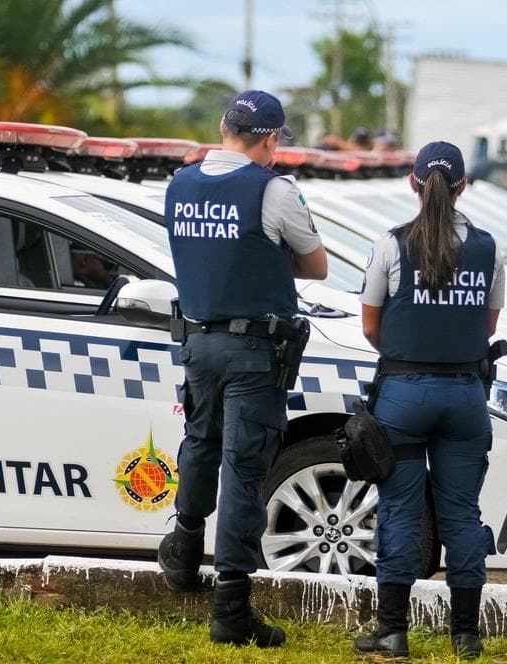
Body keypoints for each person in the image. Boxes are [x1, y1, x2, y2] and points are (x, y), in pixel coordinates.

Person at [159, 89, 328, 648]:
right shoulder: (274, 188)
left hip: (198, 343)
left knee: (200, 444)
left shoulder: (180, 184)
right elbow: (317, 265)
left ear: (222, 126)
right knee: (244, 470)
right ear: (270, 138)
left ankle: (183, 549)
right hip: (254, 350)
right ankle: (231, 607)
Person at [356, 141, 505, 660]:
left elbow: (371, 325)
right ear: (463, 186)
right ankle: (466, 634)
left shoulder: (389, 244)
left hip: (402, 393)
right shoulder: (488, 247)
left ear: (413, 183)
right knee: (462, 513)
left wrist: (408, 352)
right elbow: (487, 325)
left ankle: (392, 630)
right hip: (465, 395)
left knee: (399, 510)